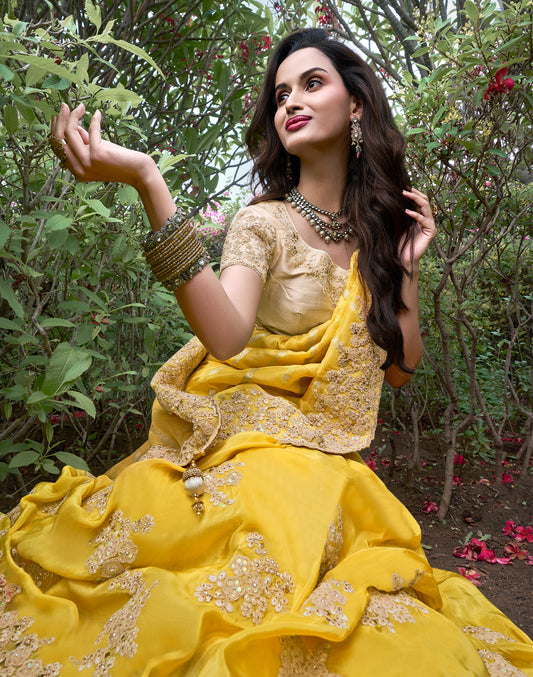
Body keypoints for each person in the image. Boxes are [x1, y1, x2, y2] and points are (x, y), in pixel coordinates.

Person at [1, 27, 532, 677]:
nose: (291, 101)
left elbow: (400, 371)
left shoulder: (379, 236)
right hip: (246, 444)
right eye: (281, 94)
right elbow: (226, 337)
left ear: (355, 104)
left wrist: (408, 270)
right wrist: (147, 179)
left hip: (325, 462)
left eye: (312, 83)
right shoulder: (264, 222)